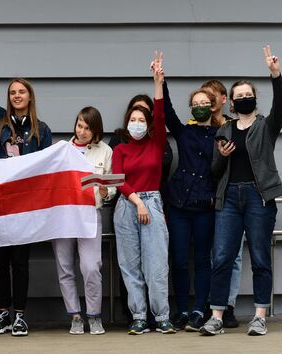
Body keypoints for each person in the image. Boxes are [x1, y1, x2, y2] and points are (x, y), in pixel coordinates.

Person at [200, 46, 282, 337]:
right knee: (222, 257)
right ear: (232, 103)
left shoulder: (265, 127)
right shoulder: (224, 130)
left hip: (258, 197)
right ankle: (216, 316)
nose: (245, 98)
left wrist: (275, 75)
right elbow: (214, 172)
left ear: (254, 100)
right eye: (240, 96)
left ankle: (260, 316)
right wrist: (222, 156)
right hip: (229, 199)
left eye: (249, 95)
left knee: (261, 257)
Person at [0, 33, 52, 337]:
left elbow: (48, 166)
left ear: (30, 96)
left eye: (21, 92)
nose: (17, 96)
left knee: (20, 261)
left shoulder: (41, 130)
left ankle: (20, 314)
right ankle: (3, 313)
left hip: (25, 205)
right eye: (13, 92)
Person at [112, 52, 176, 335]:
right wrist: (136, 200)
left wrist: (158, 83)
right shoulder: (120, 149)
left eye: (142, 119)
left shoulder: (156, 143)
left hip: (152, 203)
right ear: (127, 122)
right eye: (132, 118)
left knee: (156, 264)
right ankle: (138, 316)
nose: (136, 122)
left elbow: (161, 113)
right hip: (128, 205)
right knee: (130, 265)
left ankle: (161, 316)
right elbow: (118, 180)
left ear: (148, 123)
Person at [52, 106, 114, 335]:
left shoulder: (105, 151)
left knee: (91, 266)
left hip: (89, 214)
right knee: (65, 266)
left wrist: (108, 192)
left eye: (88, 128)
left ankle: (94, 315)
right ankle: (75, 315)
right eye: (79, 125)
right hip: (64, 216)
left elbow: (111, 185)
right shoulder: (61, 150)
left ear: (96, 130)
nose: (82, 131)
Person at [162, 78, 218, 331]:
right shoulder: (184, 131)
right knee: (181, 259)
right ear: (191, 107)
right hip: (179, 206)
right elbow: (166, 112)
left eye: (205, 103)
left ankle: (199, 310)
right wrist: (160, 83)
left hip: (205, 205)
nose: (200, 106)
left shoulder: (221, 134)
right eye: (196, 103)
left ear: (213, 106)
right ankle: (183, 309)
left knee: (203, 260)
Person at [200, 79, 240, 328]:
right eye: (207, 97)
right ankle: (211, 303)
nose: (211, 101)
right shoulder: (199, 126)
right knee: (209, 255)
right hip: (204, 200)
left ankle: (229, 305)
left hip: (231, 198)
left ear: (224, 100)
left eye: (215, 96)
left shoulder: (233, 126)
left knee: (232, 256)